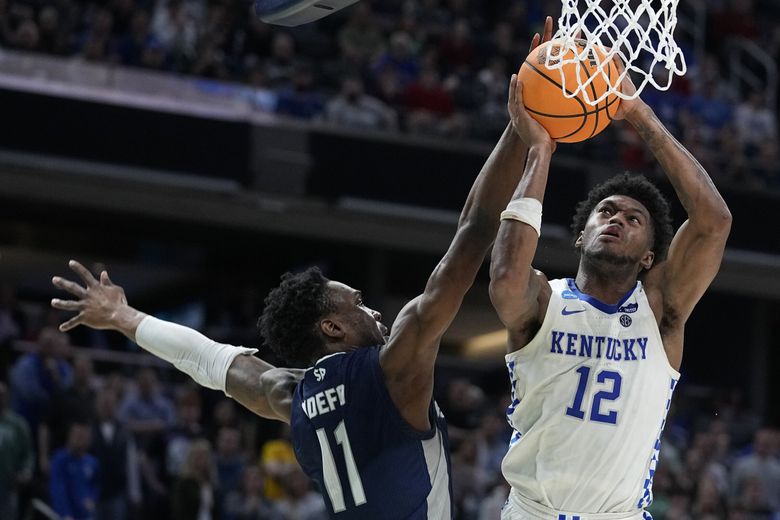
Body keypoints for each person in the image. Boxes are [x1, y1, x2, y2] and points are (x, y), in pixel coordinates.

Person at [49, 17, 555, 520]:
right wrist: (521, 124)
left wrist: (125, 319)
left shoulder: (290, 393)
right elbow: (473, 231)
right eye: (357, 303)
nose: (373, 310)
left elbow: (209, 361)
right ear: (331, 326)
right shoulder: (396, 366)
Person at [488, 59, 732, 519]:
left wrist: (638, 112)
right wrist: (540, 150)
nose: (617, 219)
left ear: (648, 258)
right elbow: (503, 279)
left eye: (633, 219)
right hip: (530, 512)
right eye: (606, 211)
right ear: (581, 235)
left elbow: (714, 221)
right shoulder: (543, 300)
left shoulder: (660, 310)